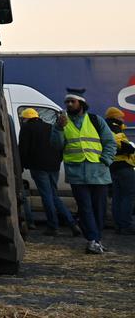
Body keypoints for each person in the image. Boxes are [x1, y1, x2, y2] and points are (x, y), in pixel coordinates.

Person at [53, 91, 117, 254]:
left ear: (81, 104)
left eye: (71, 102)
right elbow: (56, 146)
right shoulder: (62, 124)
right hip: (77, 175)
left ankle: (96, 239)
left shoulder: (96, 121)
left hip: (99, 173)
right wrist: (59, 129)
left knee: (99, 209)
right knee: (85, 208)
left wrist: (106, 160)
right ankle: (93, 240)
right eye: (66, 102)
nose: (68, 105)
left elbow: (110, 142)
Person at [18, 107, 80, 236]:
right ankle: (72, 223)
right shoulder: (49, 127)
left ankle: (53, 226)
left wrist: (22, 165)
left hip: (38, 167)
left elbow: (23, 149)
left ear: (26, 118)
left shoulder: (26, 128)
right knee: (53, 195)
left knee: (46, 196)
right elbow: (59, 144)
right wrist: (57, 161)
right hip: (54, 166)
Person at [105, 107, 135, 235]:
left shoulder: (106, 128)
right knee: (129, 195)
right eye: (121, 117)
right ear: (115, 117)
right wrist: (130, 148)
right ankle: (126, 225)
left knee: (117, 197)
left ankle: (118, 225)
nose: (123, 119)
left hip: (113, 167)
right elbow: (122, 145)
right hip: (123, 166)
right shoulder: (114, 127)